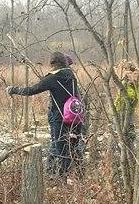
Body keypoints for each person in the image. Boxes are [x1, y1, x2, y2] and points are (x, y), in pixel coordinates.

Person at [6, 51, 84, 180]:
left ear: (52, 64)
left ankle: (62, 181)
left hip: (61, 118)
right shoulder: (71, 75)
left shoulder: (52, 78)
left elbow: (30, 90)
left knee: (60, 149)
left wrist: (13, 89)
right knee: (74, 148)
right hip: (76, 116)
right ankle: (78, 177)